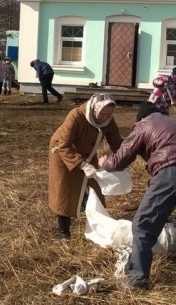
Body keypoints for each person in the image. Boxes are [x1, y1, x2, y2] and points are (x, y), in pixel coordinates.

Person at [98, 101, 176, 290]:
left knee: (143, 224)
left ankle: (137, 278)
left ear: (141, 118)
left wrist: (104, 162)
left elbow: (119, 161)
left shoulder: (143, 125)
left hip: (172, 173)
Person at [49, 93, 123, 243]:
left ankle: (96, 225)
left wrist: (122, 160)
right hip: (63, 153)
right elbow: (63, 145)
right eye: (102, 113)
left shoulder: (107, 120)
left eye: (109, 114)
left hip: (88, 154)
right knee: (66, 191)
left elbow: (116, 141)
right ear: (95, 108)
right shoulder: (76, 116)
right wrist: (81, 164)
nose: (105, 117)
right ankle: (64, 233)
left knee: (94, 188)